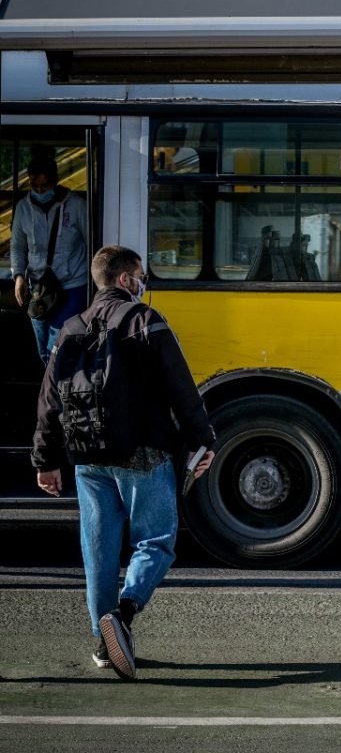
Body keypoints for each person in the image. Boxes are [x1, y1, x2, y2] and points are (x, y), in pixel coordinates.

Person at [32, 245, 216, 681]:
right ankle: (125, 615)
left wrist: (45, 459)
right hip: (142, 451)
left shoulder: (69, 328)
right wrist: (202, 440)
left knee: (98, 554)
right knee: (156, 542)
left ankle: (103, 643)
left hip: (87, 458)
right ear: (123, 280)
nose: (143, 283)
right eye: (140, 276)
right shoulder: (145, 320)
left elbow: (49, 400)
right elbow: (181, 386)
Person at [10, 152, 91, 365]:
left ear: (54, 182)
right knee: (43, 348)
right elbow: (17, 246)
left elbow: (91, 242)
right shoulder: (23, 208)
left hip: (73, 283)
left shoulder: (75, 205)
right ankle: (53, 387)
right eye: (34, 186)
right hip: (39, 286)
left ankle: (56, 392)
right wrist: (18, 276)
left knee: (57, 344)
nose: (39, 191)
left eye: (44, 187)